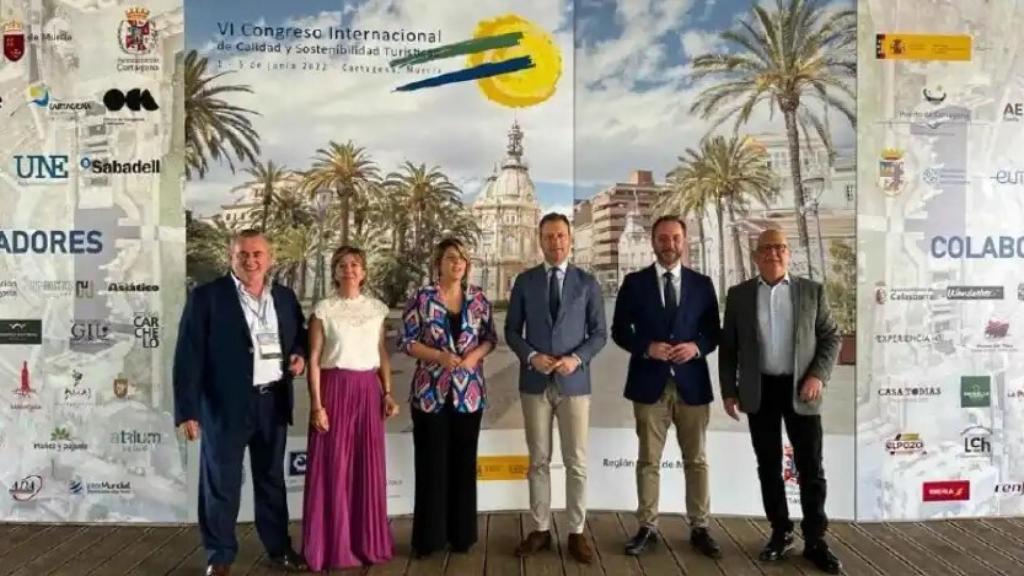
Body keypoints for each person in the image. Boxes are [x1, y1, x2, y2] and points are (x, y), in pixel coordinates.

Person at [173, 229, 309, 576]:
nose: (250, 260)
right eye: (243, 254)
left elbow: (300, 338)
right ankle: (219, 556)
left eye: (257, 254)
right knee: (221, 483)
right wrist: (187, 410)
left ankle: (279, 549)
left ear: (270, 258)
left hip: (272, 403)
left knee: (271, 481)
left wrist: (298, 355)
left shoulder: (284, 297)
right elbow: (188, 356)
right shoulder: (207, 297)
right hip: (223, 407)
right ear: (231, 257)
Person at [719, 228, 842, 574]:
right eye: (766, 248)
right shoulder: (739, 295)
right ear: (756, 256)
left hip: (801, 390)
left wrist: (818, 375)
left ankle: (816, 540)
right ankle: (780, 532)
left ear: (789, 254)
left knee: (811, 468)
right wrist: (729, 390)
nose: (773, 253)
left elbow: (830, 336)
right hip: (760, 392)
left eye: (780, 248)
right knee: (769, 467)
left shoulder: (811, 292)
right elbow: (728, 348)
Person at [611, 215, 722, 558]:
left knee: (697, 460)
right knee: (648, 460)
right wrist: (646, 347)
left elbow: (713, 333)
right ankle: (647, 527)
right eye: (662, 238)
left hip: (692, 384)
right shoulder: (634, 283)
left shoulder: (702, 284)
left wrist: (697, 348)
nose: (669, 244)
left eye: (675, 238)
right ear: (653, 242)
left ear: (683, 241)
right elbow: (619, 330)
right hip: (649, 384)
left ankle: (700, 527)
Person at [505, 212, 607, 564]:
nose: (556, 242)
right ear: (540, 240)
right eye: (549, 236)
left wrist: (576, 359)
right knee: (539, 460)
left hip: (575, 383)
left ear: (570, 239)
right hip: (534, 383)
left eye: (561, 236)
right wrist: (531, 356)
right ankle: (540, 529)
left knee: (576, 461)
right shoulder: (524, 281)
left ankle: (576, 532)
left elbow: (599, 334)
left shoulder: (587, 283)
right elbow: (512, 331)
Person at [302, 245, 399, 571]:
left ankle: (368, 544)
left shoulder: (376, 310)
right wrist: (317, 405)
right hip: (334, 392)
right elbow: (314, 359)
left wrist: (387, 392)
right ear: (334, 271)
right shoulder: (323, 310)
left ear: (364, 271)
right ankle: (333, 547)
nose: (349, 269)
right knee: (335, 468)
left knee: (366, 468)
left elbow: (381, 352)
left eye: (355, 264)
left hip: (367, 393)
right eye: (342, 264)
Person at [398, 237, 497, 557]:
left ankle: (461, 537)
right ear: (439, 263)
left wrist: (474, 357)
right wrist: (437, 356)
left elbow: (489, 338)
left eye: (462, 259)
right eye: (451, 258)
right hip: (430, 394)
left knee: (463, 466)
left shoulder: (479, 299)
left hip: (469, 395)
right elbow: (406, 341)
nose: (457, 263)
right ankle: (429, 539)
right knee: (432, 466)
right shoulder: (422, 298)